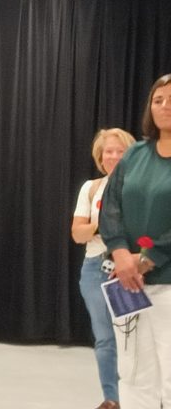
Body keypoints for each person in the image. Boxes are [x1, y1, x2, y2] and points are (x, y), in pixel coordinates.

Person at [101, 74, 171, 409]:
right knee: (133, 373)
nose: (165, 106)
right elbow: (111, 205)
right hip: (129, 283)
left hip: (166, 282)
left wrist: (148, 257)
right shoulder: (135, 155)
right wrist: (120, 253)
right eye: (158, 100)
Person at [72, 128, 135, 409]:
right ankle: (113, 399)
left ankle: (137, 398)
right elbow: (77, 233)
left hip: (127, 270)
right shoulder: (91, 188)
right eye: (108, 151)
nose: (113, 156)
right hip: (95, 269)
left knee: (130, 337)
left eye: (120, 151)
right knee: (105, 338)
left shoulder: (138, 187)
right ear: (100, 156)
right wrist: (102, 225)